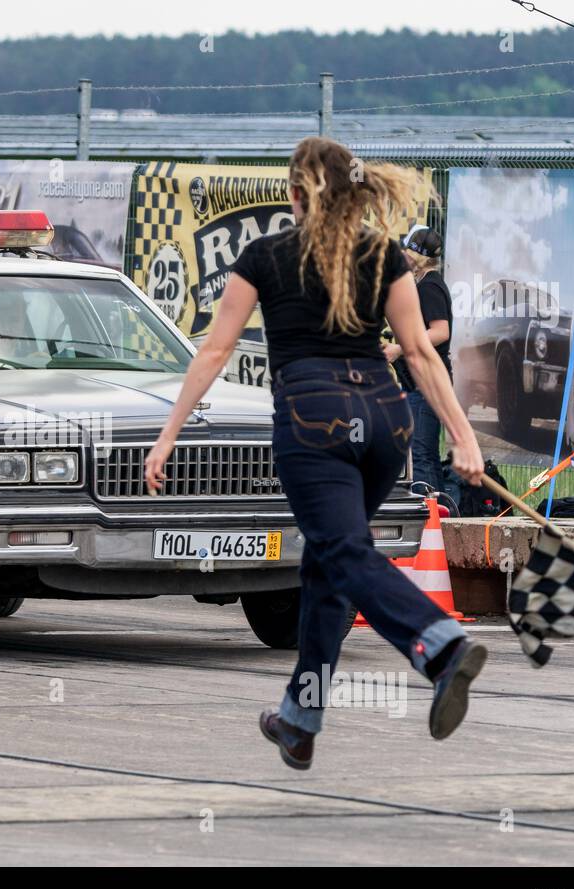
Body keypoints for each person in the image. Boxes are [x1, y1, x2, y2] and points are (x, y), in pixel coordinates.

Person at [144, 137, 487, 771]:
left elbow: (215, 352)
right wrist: (462, 435)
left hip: (313, 421)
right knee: (326, 567)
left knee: (342, 553)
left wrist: (169, 434)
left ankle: (438, 645)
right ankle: (300, 719)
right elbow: (419, 353)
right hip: (386, 422)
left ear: (297, 195)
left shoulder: (266, 255)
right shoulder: (383, 254)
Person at [384, 225, 451, 493]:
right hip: (422, 382)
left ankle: (429, 518)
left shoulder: (429, 286)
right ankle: (439, 516)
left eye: (406, 248)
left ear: (418, 254)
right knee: (426, 454)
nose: (402, 254)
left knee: (420, 455)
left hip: (426, 383)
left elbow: (440, 331)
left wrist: (400, 349)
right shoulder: (423, 284)